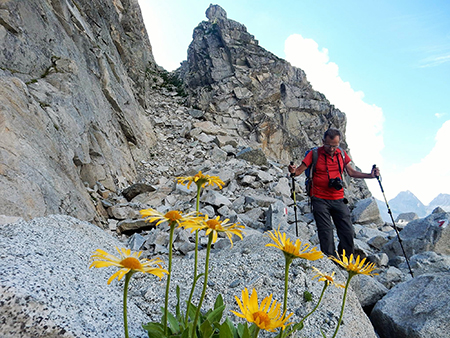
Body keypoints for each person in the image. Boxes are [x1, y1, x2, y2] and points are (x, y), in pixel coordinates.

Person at [288, 128, 379, 258]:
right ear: (323, 141)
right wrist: (292, 170)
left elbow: (351, 172)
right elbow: (298, 171)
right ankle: (330, 261)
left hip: (338, 198)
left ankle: (346, 259)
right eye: (328, 145)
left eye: (335, 146)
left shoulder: (341, 154)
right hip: (319, 198)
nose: (331, 149)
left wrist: (371, 176)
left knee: (347, 231)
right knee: (326, 232)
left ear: (339, 143)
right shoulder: (314, 154)